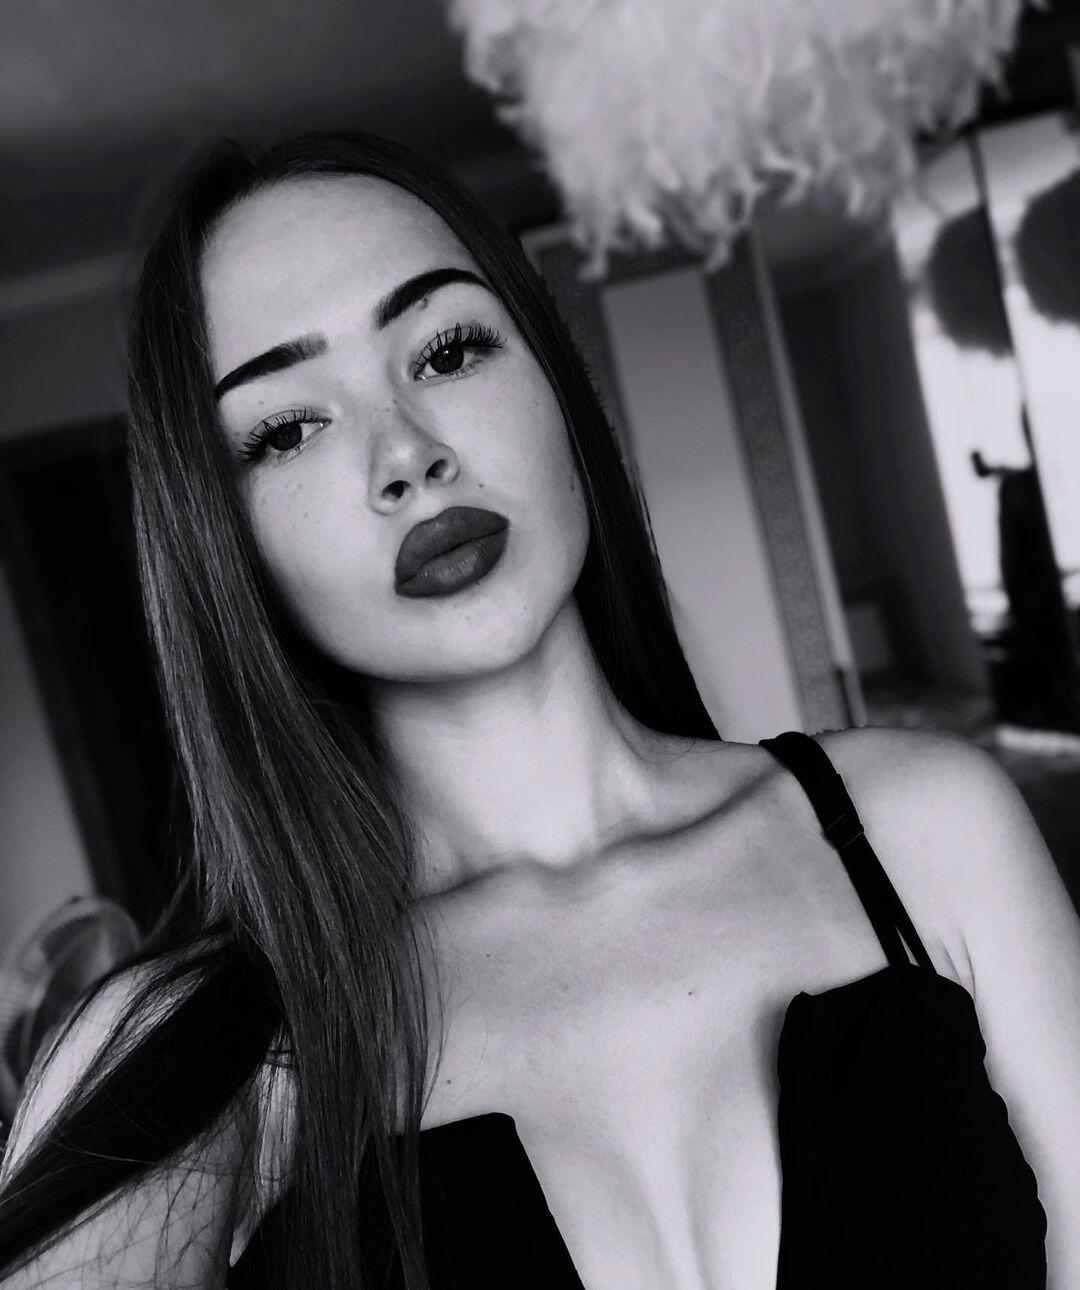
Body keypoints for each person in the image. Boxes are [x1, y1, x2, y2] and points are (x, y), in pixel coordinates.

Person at [0, 130, 1077, 1290]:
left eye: (448, 350)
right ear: (223, 542)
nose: (407, 456)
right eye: (287, 428)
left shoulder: (927, 831)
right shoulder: (191, 1051)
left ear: (558, 384)